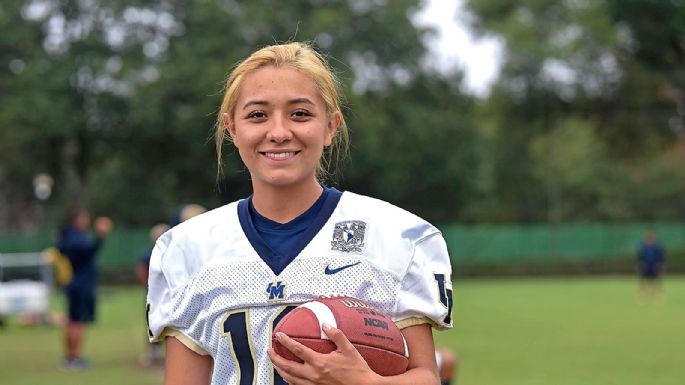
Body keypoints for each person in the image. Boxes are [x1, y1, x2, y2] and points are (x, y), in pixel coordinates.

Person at [146, 42, 453, 385]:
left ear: (331, 127)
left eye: (300, 114)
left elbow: (426, 377)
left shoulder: (396, 236)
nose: (278, 133)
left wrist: (366, 383)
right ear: (232, 128)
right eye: (257, 115)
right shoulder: (189, 247)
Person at [57, 207, 113, 370]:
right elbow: (88, 250)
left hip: (76, 284)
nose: (87, 222)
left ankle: (71, 357)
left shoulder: (70, 236)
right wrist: (101, 236)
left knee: (73, 320)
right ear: (77, 220)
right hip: (80, 285)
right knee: (78, 321)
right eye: (84, 219)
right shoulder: (73, 237)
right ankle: (74, 358)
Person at [136, 223, 170, 367]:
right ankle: (154, 352)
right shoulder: (149, 253)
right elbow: (141, 271)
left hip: (170, 293)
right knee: (153, 321)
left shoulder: (173, 253)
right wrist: (149, 286)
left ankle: (170, 353)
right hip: (156, 294)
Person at [636, 230, 666, 301]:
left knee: (657, 281)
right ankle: (642, 295)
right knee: (642, 281)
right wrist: (639, 265)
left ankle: (658, 295)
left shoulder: (658, 247)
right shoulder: (643, 247)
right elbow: (639, 257)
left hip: (655, 266)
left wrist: (661, 265)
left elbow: (661, 257)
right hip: (645, 266)